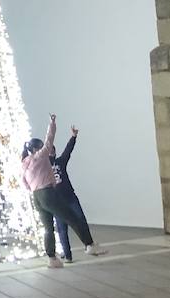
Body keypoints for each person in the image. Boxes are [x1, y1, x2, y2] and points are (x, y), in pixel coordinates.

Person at [21, 114, 106, 267]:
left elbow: (24, 183)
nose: (44, 147)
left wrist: (34, 188)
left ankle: (52, 259)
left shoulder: (24, 163)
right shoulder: (40, 156)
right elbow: (50, 139)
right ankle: (89, 245)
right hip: (47, 193)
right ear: (35, 149)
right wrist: (52, 123)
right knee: (72, 218)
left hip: (36, 196)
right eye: (40, 146)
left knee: (48, 228)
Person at [50, 125, 92, 263]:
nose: (51, 152)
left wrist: (73, 137)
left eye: (53, 150)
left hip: (70, 197)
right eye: (49, 150)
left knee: (80, 219)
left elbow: (68, 151)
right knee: (62, 229)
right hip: (57, 202)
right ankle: (67, 255)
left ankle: (89, 245)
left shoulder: (60, 162)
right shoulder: (43, 167)